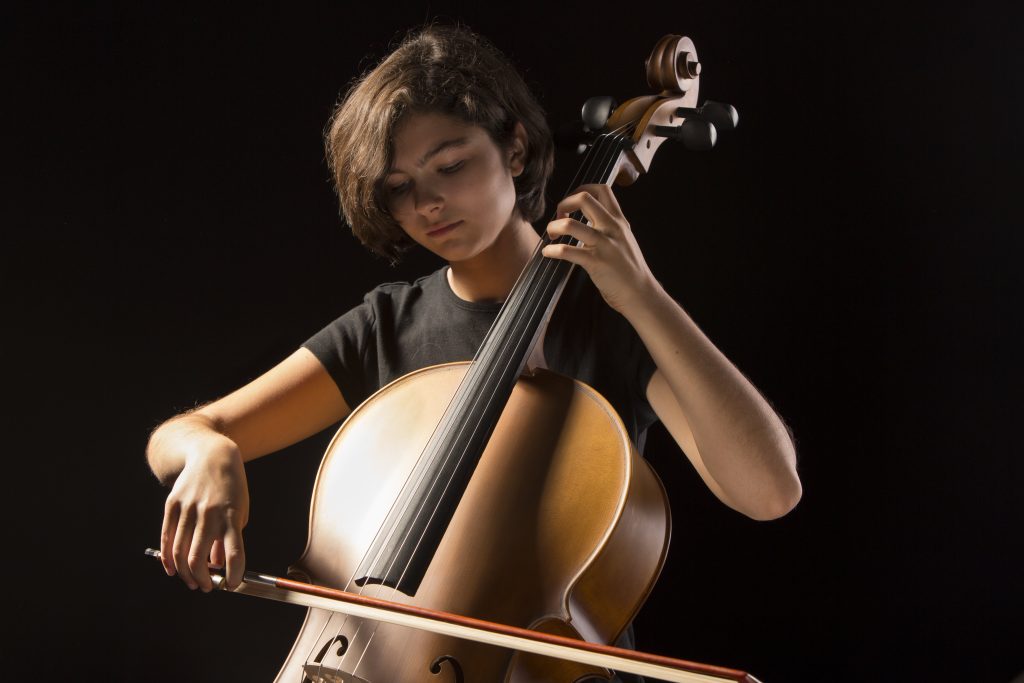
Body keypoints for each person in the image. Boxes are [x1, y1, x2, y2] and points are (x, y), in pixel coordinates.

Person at [147, 23, 801, 680]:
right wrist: (211, 450)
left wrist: (644, 296)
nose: (427, 203)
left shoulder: (607, 320)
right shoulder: (386, 325)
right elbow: (178, 435)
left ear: (514, 147)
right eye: (399, 186)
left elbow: (768, 489)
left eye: (451, 165)